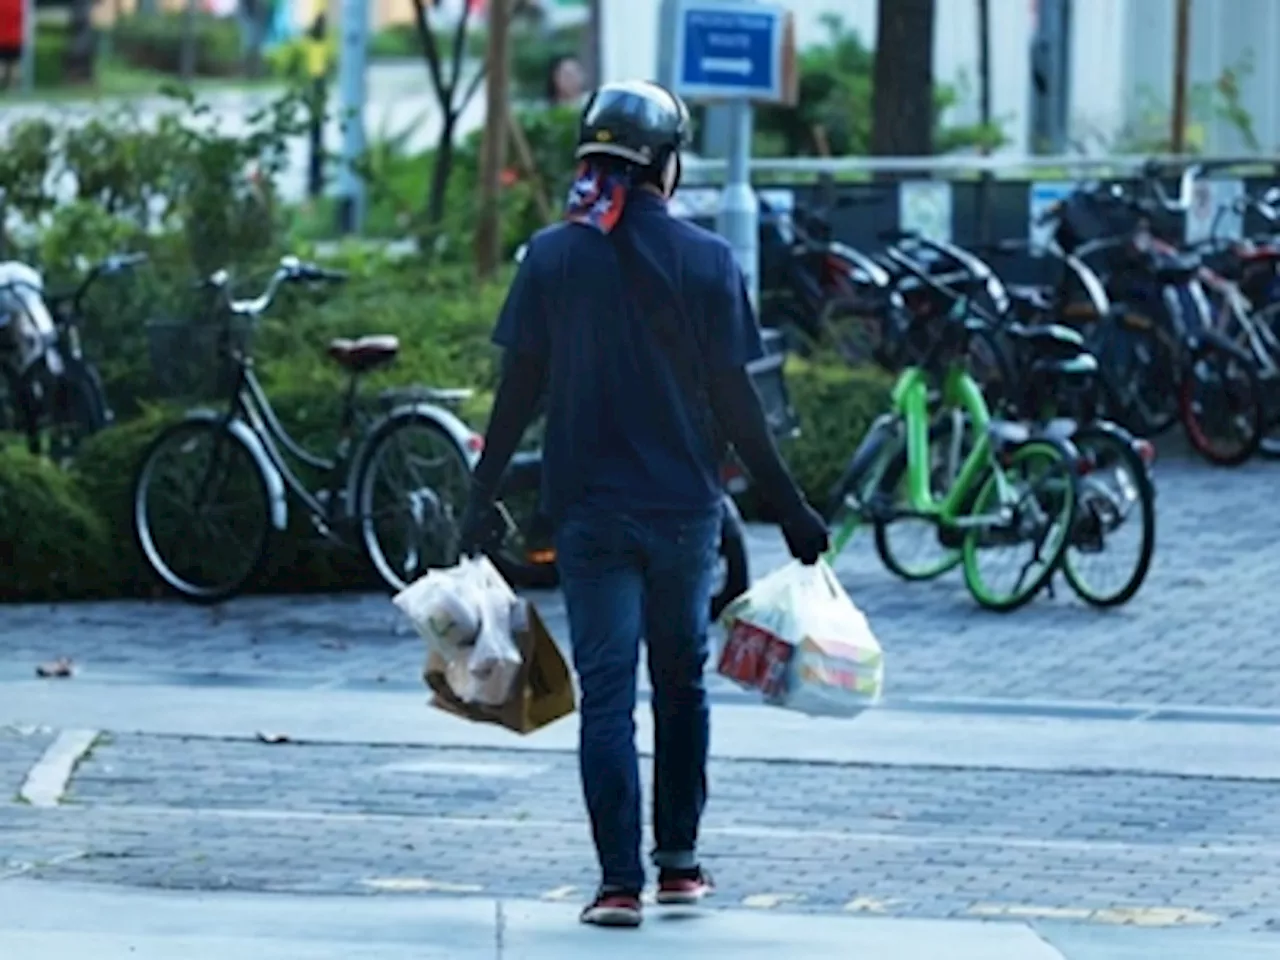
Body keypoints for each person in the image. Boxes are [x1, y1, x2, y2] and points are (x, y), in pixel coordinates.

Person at [457, 79, 829, 929]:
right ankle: (682, 866)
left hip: (588, 516)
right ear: (667, 163)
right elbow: (740, 406)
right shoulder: (707, 260)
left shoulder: (551, 258)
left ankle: (618, 883)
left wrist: (479, 501)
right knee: (680, 687)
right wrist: (793, 511)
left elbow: (518, 393)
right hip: (685, 515)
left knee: (607, 695)